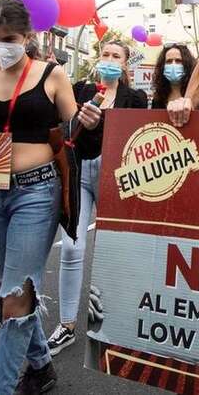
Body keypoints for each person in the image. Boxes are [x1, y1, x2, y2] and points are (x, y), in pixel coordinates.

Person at [0, 0, 101, 395]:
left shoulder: (52, 74)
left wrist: (92, 120)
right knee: (4, 291)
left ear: (27, 36)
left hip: (37, 189)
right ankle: (42, 366)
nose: (1, 46)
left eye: (9, 38)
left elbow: (78, 132)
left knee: (15, 297)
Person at [46, 39, 148, 357]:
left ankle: (121, 321)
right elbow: (64, 127)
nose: (109, 59)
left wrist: (102, 121)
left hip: (115, 179)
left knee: (118, 248)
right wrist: (79, 119)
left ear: (125, 64)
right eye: (105, 54)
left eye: (116, 56)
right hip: (80, 174)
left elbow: (134, 136)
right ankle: (66, 325)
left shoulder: (135, 97)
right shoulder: (80, 90)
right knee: (72, 247)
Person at [151, 43, 196, 109]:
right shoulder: (158, 99)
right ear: (162, 66)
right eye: (169, 61)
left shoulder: (196, 95)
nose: (173, 64)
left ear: (187, 64)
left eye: (178, 61)